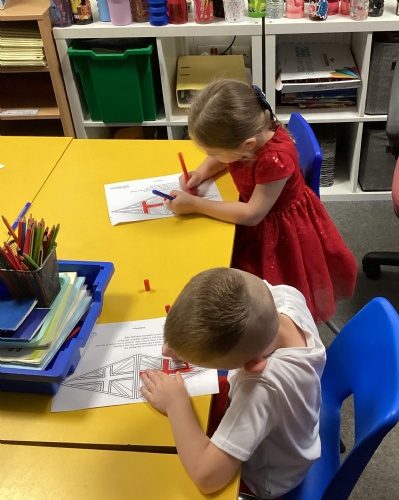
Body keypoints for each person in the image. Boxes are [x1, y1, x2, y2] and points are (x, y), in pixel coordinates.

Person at [164, 79, 357, 323]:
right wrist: (201, 173)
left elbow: (252, 214)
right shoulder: (253, 130)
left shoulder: (275, 160)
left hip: (277, 229)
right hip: (259, 213)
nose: (211, 156)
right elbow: (225, 154)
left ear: (247, 145)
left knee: (259, 294)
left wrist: (195, 205)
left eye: (212, 152)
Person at [140, 267, 326, 499]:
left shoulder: (261, 387)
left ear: (252, 365)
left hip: (267, 476)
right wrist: (183, 343)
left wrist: (175, 403)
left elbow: (207, 477)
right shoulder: (284, 296)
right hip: (292, 426)